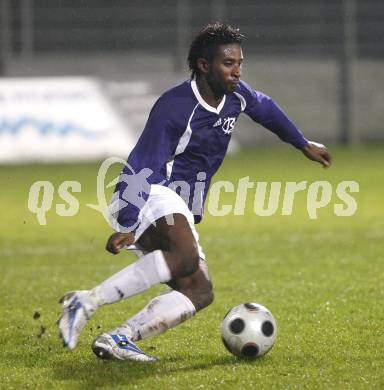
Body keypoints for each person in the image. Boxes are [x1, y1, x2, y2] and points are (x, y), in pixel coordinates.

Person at [58, 22, 331, 361]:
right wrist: (127, 222)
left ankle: (120, 337)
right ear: (204, 65)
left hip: (178, 202)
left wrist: (302, 143)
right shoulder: (176, 107)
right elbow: (143, 162)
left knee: (200, 291)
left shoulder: (236, 95)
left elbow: (266, 108)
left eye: (240, 63)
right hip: (148, 191)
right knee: (185, 258)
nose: (237, 72)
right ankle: (86, 300)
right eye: (228, 64)